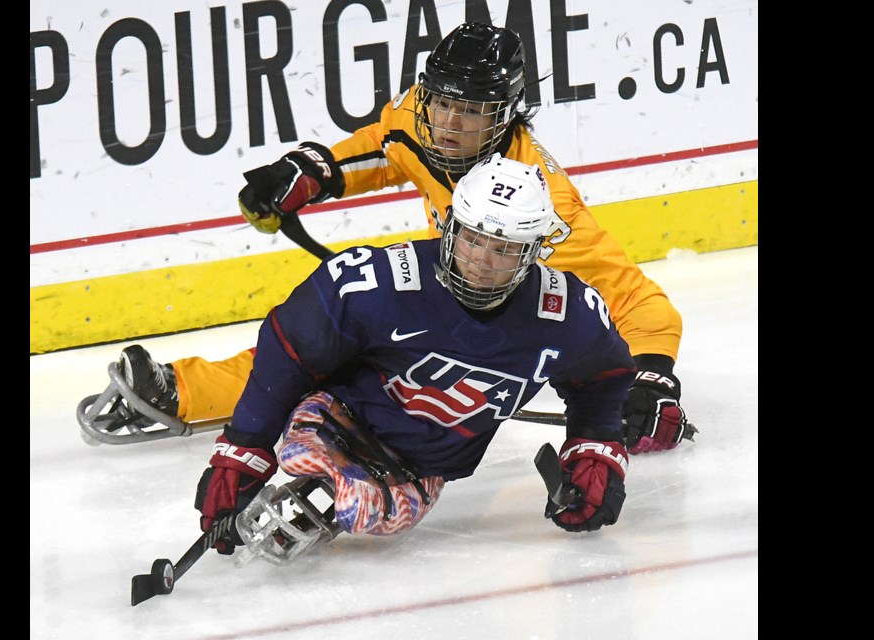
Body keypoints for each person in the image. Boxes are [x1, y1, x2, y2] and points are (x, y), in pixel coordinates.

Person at [95, 21, 691, 455]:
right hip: (449, 278)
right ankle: (189, 386)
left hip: (499, 321)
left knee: (344, 354)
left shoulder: (537, 210)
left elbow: (640, 305)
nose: (449, 123)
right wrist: (312, 173)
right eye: (442, 103)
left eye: (472, 111)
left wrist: (650, 377)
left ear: (506, 115)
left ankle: (190, 393)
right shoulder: (421, 117)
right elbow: (388, 145)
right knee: (333, 332)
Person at [195, 155, 635, 555]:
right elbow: (288, 346)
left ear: (533, 252)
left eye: (504, 249)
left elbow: (603, 378)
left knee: (368, 511)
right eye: (473, 239)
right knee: (312, 464)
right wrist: (245, 447)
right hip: (338, 415)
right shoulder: (380, 283)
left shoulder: (567, 314)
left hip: (419, 471)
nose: (482, 261)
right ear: (450, 226)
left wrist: (594, 447)